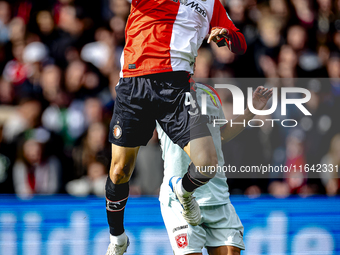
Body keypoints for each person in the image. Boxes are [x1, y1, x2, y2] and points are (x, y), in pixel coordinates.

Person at [105, 0, 247, 254]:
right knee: (119, 170)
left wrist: (226, 35)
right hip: (134, 83)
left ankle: (182, 190)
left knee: (207, 163)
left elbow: (240, 43)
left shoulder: (212, 4)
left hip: (177, 87)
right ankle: (118, 238)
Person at [158, 83, 273, 255]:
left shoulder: (209, 93)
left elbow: (221, 135)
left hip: (216, 195)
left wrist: (252, 110)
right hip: (180, 198)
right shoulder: (159, 92)